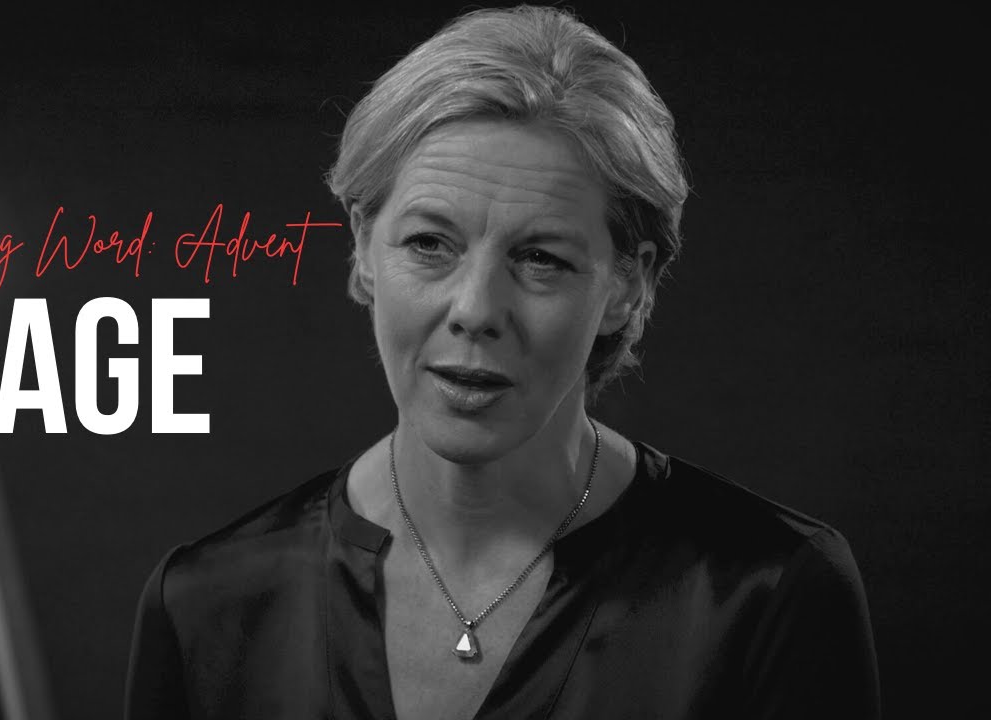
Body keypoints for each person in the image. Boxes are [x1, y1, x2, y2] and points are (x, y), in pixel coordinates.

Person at [124, 5, 880, 719]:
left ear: (628, 285)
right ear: (363, 248)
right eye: (430, 243)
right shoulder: (205, 605)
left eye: (541, 258)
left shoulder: (769, 593)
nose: (477, 309)